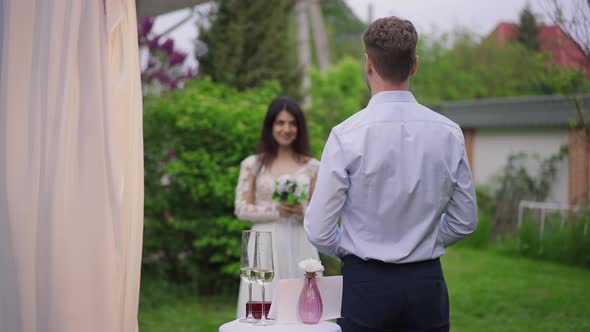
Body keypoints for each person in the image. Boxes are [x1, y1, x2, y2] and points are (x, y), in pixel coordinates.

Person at [304, 16, 478, 332]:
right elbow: (465, 219)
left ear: (368, 64)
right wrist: (424, 240)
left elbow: (318, 228)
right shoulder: (449, 133)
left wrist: (354, 249)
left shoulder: (346, 135)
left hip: (364, 284)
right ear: (415, 65)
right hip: (426, 283)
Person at [234, 96, 322, 319]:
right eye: (280, 122)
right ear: (270, 126)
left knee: (303, 308)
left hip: (300, 240)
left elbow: (320, 213)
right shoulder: (252, 164)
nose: (286, 128)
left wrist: (301, 210)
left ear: (299, 128)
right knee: (263, 307)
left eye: (292, 123)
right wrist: (276, 211)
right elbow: (241, 208)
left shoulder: (312, 167)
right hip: (263, 243)